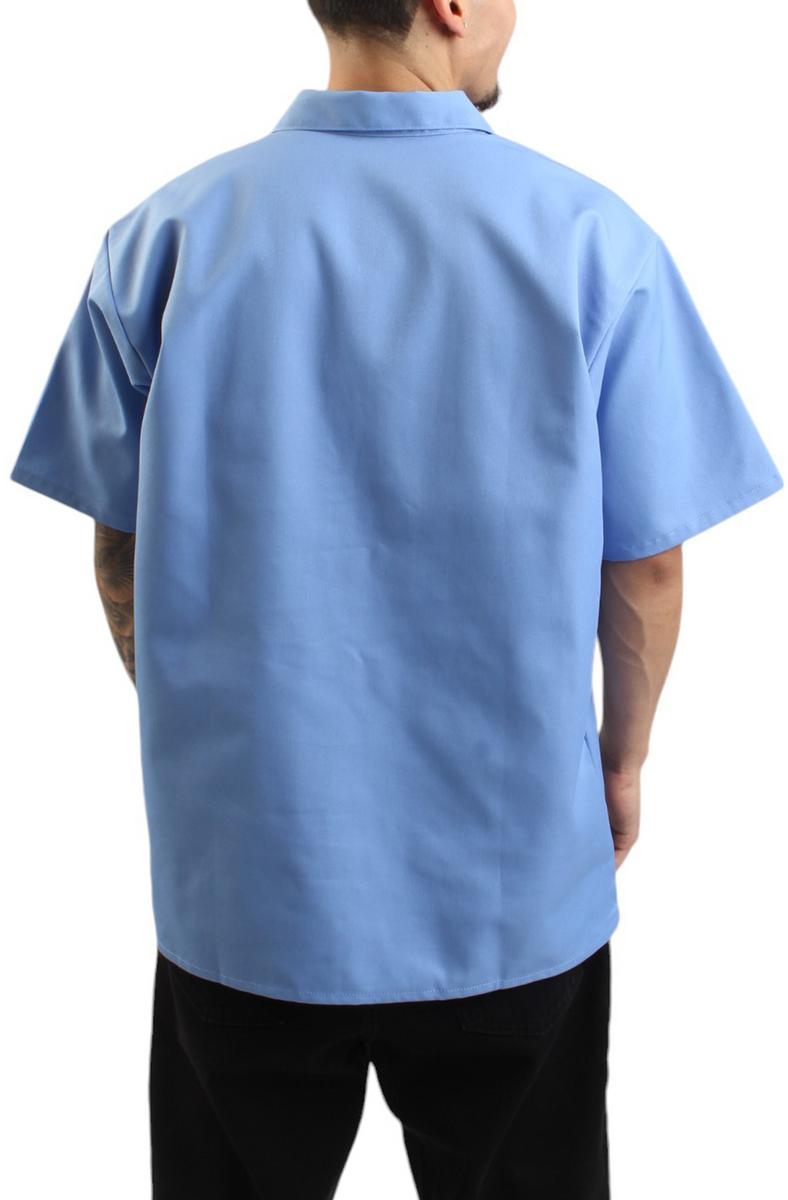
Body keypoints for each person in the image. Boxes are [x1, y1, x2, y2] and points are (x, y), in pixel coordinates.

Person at [8, 1, 783, 1197]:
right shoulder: (589, 238)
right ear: (449, 3)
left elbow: (121, 541)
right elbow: (646, 565)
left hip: (247, 883)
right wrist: (620, 763)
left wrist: (225, 740)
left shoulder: (164, 237)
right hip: (513, 878)